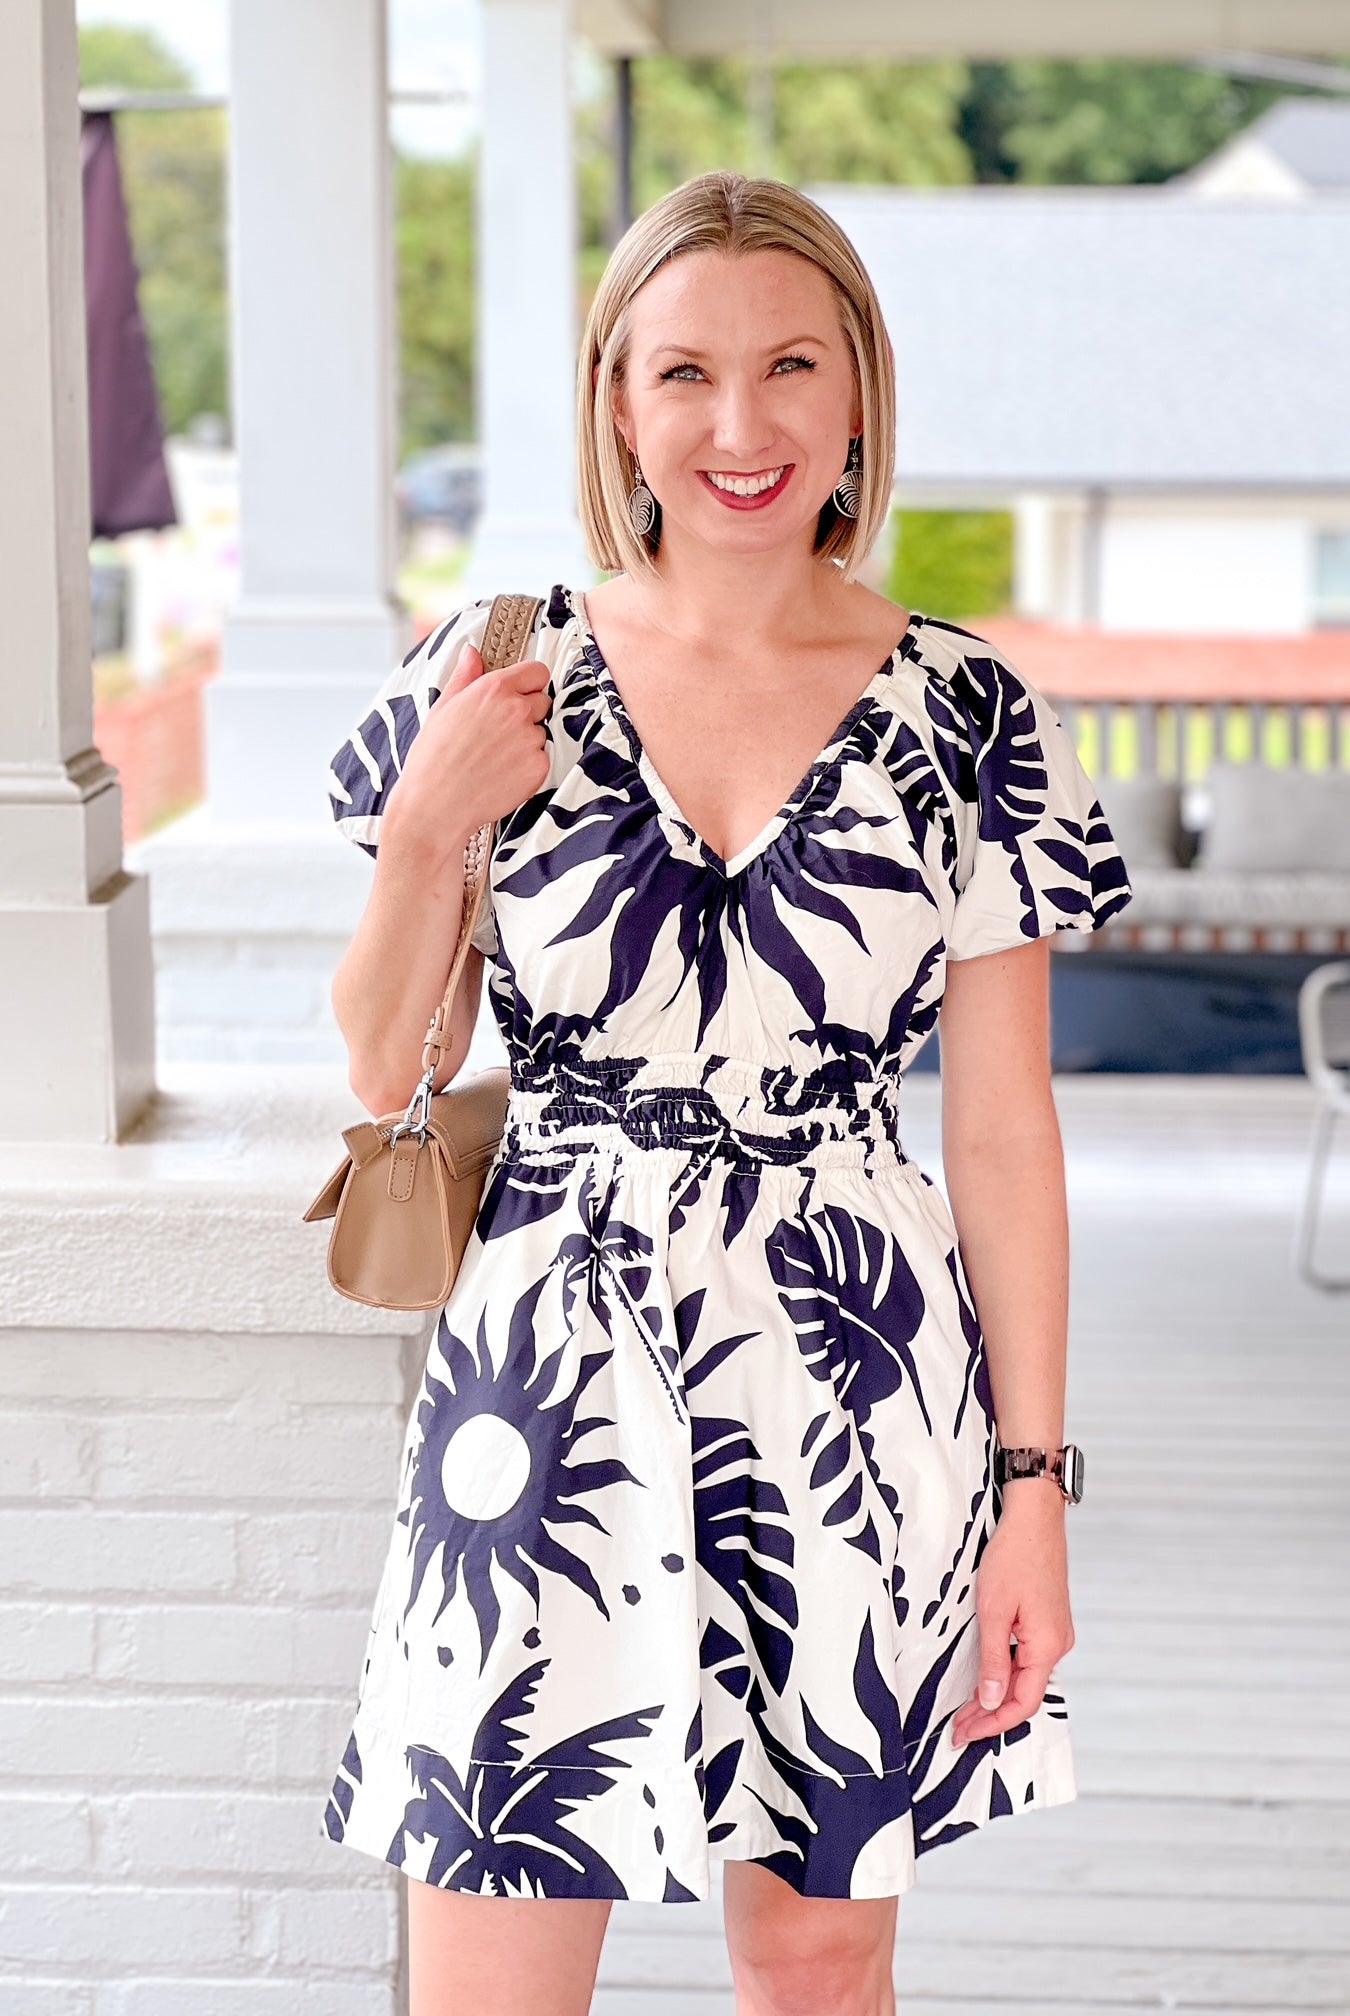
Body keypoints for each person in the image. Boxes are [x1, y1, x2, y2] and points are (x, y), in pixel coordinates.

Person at [319, 170, 1133, 2016]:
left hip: (857, 1387)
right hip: (552, 1367)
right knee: (493, 1970)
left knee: (821, 1966)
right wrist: (432, 824)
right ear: (618, 401)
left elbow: (1004, 1133)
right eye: (683, 372)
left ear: (859, 396)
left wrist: (1031, 1493)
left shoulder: (971, 713)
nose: (740, 425)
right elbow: (382, 1064)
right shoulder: (492, 668)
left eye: (789, 365)